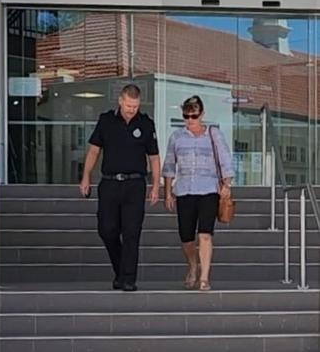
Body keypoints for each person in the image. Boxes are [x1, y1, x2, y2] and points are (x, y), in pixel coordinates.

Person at [79, 84, 161, 292]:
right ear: (120, 101)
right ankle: (120, 270)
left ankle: (128, 279)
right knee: (107, 230)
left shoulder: (145, 124)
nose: (131, 109)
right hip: (110, 183)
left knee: (132, 232)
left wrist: (155, 185)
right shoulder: (106, 121)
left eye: (135, 106)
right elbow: (94, 152)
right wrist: (86, 177)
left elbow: (154, 158)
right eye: (128, 105)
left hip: (135, 184)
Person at [162, 95, 234, 291]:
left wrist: (226, 185)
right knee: (186, 236)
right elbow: (169, 166)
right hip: (184, 190)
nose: (190, 120)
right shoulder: (176, 136)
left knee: (205, 234)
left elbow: (225, 160)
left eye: (193, 116)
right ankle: (193, 265)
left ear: (201, 114)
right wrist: (168, 192)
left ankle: (204, 277)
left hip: (209, 189)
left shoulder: (213, 133)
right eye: (186, 116)